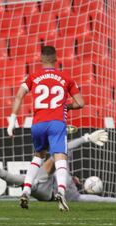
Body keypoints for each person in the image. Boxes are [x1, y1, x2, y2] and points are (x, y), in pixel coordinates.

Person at [7, 46, 84, 211]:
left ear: (40, 59)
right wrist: (66, 106)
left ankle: (27, 188)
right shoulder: (66, 78)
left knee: (38, 156)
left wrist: (12, 120)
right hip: (56, 122)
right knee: (60, 157)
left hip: (38, 123)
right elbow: (81, 103)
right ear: (56, 59)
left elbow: (19, 95)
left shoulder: (33, 77)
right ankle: (61, 191)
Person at [0, 129, 116, 203]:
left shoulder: (51, 171)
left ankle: (28, 190)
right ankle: (30, 190)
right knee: (58, 156)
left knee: (23, 178)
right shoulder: (51, 174)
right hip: (49, 191)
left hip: (49, 191)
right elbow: (87, 198)